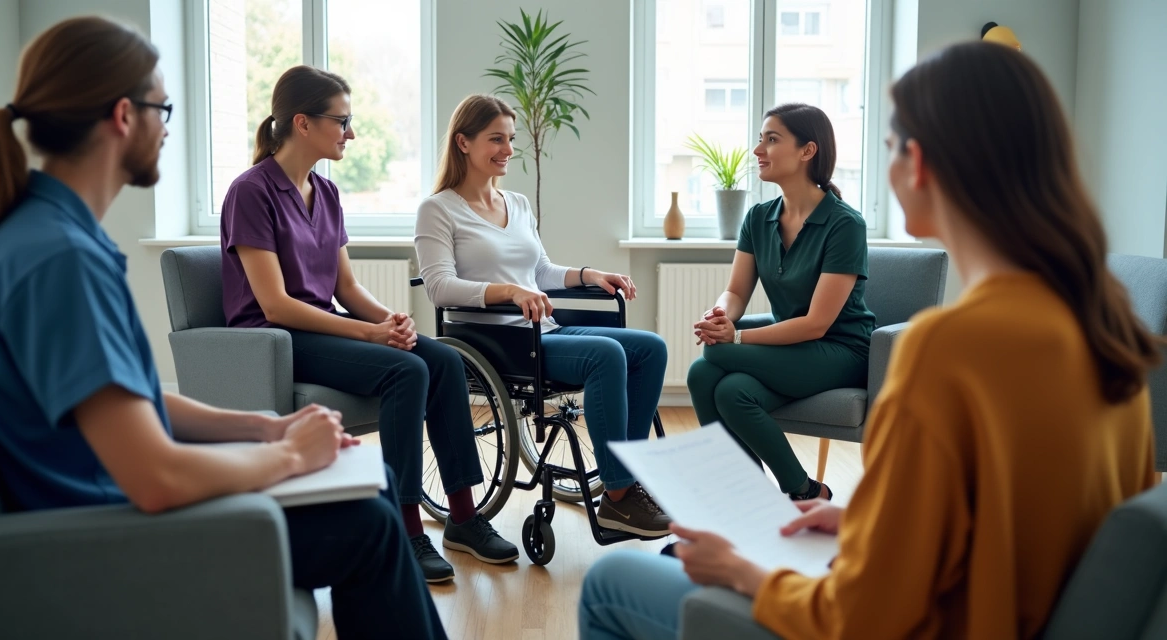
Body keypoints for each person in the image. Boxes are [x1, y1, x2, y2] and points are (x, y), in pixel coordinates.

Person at [579, 41, 1158, 640]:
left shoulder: (950, 350)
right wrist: (861, 521)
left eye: (889, 148)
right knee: (722, 380)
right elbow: (1014, 517)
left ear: (921, 164)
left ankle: (761, 510)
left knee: (611, 580)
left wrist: (744, 573)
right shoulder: (1103, 328)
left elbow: (862, 616)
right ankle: (775, 497)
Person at [0, 18, 446, 640]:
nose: (167, 126)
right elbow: (156, 477)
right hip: (98, 535)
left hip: (103, 501)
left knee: (370, 491)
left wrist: (266, 427)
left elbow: (130, 400)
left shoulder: (40, 233)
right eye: (165, 108)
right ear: (123, 115)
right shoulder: (59, 259)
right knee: (367, 524)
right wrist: (289, 456)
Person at [220, 67, 519, 584]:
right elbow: (274, 304)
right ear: (302, 123)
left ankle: (463, 518)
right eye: (342, 121)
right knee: (406, 372)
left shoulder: (327, 193)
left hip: (319, 326)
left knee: (442, 358)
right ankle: (404, 527)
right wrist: (369, 335)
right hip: (275, 339)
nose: (351, 133)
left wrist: (393, 321)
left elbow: (347, 290)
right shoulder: (251, 192)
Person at [415, 94, 671, 536]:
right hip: (498, 343)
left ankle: (627, 477)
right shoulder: (438, 209)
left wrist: (592, 273)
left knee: (649, 348)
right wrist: (508, 291)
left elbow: (540, 272)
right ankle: (618, 496)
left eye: (511, 139)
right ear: (463, 142)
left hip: (542, 329)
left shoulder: (516, 203)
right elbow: (440, 287)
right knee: (606, 355)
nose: (508, 149)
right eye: (496, 139)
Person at [687, 103, 874, 502]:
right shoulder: (758, 217)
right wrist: (720, 315)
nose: (758, 149)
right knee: (713, 383)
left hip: (840, 350)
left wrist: (734, 339)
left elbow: (816, 325)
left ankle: (785, 493)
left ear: (808, 151)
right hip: (792, 349)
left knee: (716, 358)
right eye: (760, 138)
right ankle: (769, 493)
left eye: (771, 139)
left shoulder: (845, 224)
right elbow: (736, 291)